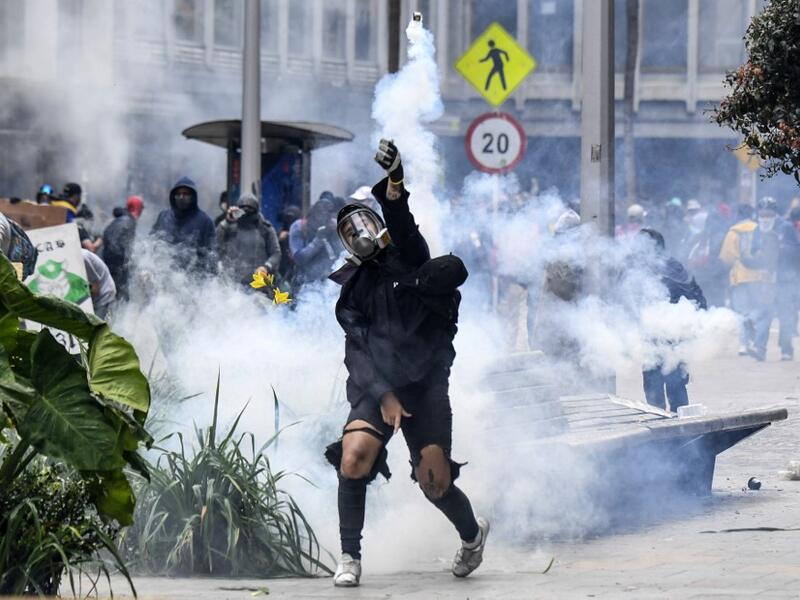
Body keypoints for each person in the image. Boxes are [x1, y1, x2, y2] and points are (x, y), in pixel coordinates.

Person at [324, 140, 488, 588]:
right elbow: (355, 353)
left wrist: (395, 181)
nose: (358, 231)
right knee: (354, 457)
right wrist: (384, 396)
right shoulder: (351, 291)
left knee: (435, 481)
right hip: (376, 388)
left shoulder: (412, 259)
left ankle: (472, 538)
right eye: (348, 229)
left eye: (364, 222)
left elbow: (403, 223)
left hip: (425, 387)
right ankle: (350, 556)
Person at [639, 229, 707, 412]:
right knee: (656, 381)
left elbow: (695, 295)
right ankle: (661, 422)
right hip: (651, 333)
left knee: (672, 381)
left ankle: (677, 424)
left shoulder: (671, 268)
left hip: (673, 333)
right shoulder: (641, 269)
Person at [720, 199, 780, 361]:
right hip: (762, 277)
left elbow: (726, 256)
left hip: (739, 277)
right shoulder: (762, 231)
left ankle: (743, 344)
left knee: (743, 312)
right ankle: (758, 346)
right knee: (762, 312)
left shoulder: (733, 232)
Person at [151, 177, 216, 273]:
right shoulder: (164, 217)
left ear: (193, 196)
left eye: (185, 194)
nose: (181, 197)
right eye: (178, 194)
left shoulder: (205, 221)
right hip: (164, 277)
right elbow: (152, 242)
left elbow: (210, 255)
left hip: (192, 279)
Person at [216, 192, 281, 287]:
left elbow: (276, 253)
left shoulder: (265, 228)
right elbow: (215, 245)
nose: (246, 211)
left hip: (258, 286)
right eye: (243, 208)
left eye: (250, 208)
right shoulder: (228, 227)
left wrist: (266, 267)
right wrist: (227, 222)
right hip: (232, 286)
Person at [288, 197, 340, 289]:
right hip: (304, 281)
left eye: (328, 215)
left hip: (329, 281)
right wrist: (318, 240)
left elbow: (341, 254)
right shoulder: (299, 226)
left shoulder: (335, 225)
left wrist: (336, 232)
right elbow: (299, 258)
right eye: (321, 214)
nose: (325, 218)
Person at [102, 196, 143, 299]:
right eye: (141, 208)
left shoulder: (123, 219)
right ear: (137, 208)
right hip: (115, 270)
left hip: (115, 269)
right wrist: (123, 263)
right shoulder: (126, 221)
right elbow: (112, 243)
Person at [776, 206, 800, 360]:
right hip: (787, 280)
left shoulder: (784, 230)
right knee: (785, 315)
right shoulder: (786, 230)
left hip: (787, 280)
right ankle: (785, 347)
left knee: (786, 315)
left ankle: (785, 348)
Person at [82, 248, 117, 319]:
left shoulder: (83, 258)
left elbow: (96, 288)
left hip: (104, 294)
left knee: (101, 325)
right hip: (93, 296)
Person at [277, 204, 301, 283]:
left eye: (290, 218)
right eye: (287, 218)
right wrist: (279, 239)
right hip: (282, 265)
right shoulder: (280, 233)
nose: (289, 220)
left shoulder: (301, 232)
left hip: (296, 266)